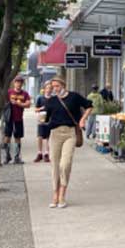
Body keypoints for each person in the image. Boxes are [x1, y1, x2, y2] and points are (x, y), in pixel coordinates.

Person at [44, 76, 93, 208]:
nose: (55, 89)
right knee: (54, 164)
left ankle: (62, 195)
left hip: (70, 133)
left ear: (63, 85)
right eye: (53, 87)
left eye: (57, 86)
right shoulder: (51, 101)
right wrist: (42, 120)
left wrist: (83, 119)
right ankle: (55, 194)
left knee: (65, 164)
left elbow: (89, 105)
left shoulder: (74, 97)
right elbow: (47, 119)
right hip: (55, 134)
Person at [4, 76, 31, 164]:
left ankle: (16, 157)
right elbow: (3, 102)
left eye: (20, 82)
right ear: (14, 83)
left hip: (18, 118)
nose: (18, 83)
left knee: (18, 137)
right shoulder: (9, 92)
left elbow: (28, 104)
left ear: (22, 84)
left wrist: (19, 104)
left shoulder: (25, 94)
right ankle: (7, 156)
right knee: (7, 136)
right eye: (17, 82)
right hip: (9, 118)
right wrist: (9, 102)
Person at [33, 81, 53, 163]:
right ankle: (39, 153)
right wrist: (41, 108)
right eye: (47, 88)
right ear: (44, 89)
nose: (48, 90)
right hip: (41, 119)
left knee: (48, 137)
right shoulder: (40, 98)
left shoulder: (54, 99)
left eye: (50, 88)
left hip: (50, 120)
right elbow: (35, 109)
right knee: (40, 136)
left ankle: (46, 154)